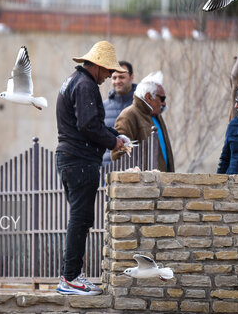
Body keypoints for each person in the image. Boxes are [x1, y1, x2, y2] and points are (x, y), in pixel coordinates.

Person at [54, 41, 127, 296]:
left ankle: (71, 276)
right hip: (80, 161)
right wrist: (113, 141)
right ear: (95, 65)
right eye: (107, 70)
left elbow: (90, 123)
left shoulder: (73, 81)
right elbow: (87, 126)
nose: (108, 76)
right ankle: (71, 278)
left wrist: (114, 134)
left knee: (80, 218)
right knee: (80, 219)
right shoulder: (86, 85)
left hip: (70, 158)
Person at [111, 71, 174, 172]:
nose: (164, 103)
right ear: (149, 97)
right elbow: (118, 154)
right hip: (144, 185)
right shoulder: (128, 115)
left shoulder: (157, 117)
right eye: (162, 98)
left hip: (162, 183)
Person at [102, 61, 136, 166]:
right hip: (107, 171)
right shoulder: (103, 107)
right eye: (114, 77)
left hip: (135, 170)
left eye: (121, 77)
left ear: (131, 77)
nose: (117, 81)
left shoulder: (140, 107)